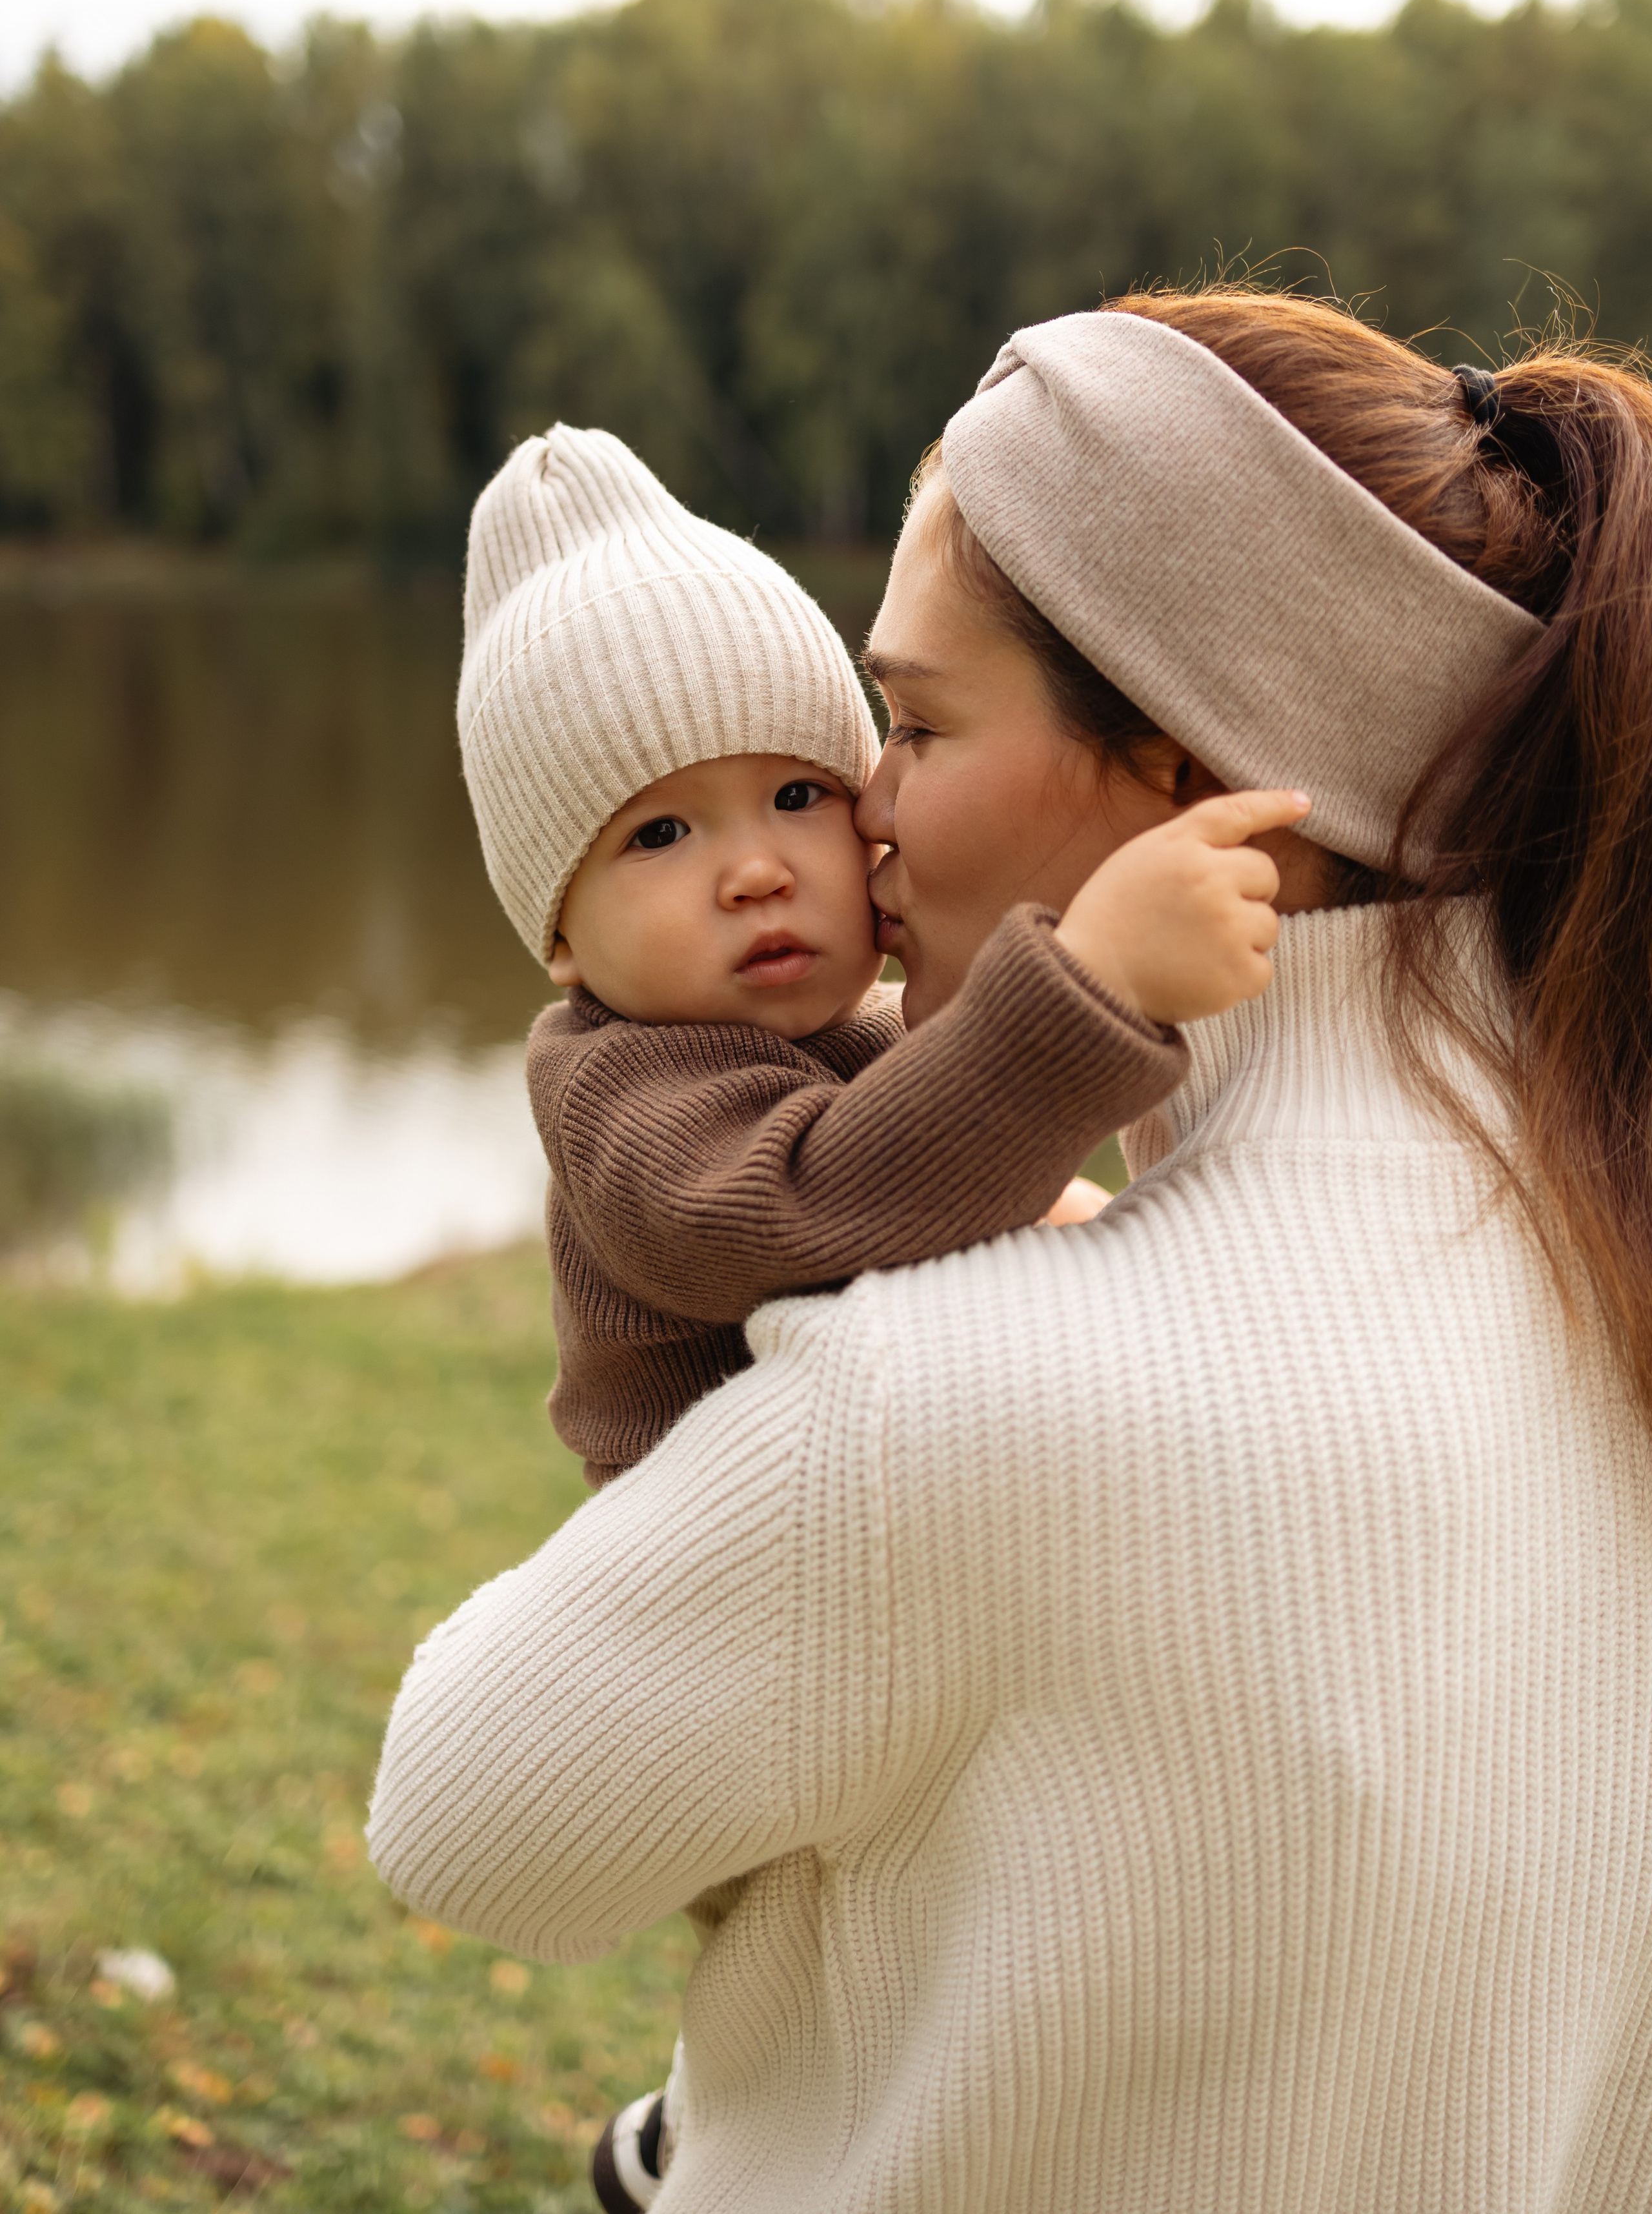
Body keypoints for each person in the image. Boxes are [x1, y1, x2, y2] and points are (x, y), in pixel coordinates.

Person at [369, 294, 1652, 2213]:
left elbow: (463, 1825)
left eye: (908, 727)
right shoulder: (1603, 1238)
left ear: (1182, 766)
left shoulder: (948, 1394)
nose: (861, 817)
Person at [456, 427, 1299, 1496]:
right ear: (561, 939)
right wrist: (1095, 982)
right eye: (659, 835)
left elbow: (939, 1174)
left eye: (798, 796)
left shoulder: (868, 1026)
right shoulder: (623, 1096)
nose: (757, 871)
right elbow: (811, 1204)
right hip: (736, 1552)